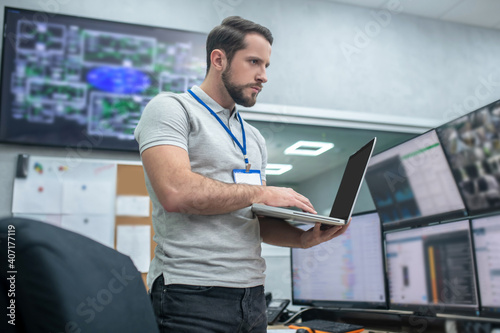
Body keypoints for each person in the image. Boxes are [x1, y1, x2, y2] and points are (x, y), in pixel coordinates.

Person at [134, 16, 350, 333]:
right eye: (253, 62)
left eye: (266, 65)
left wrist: (305, 239)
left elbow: (254, 220)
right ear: (218, 59)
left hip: (252, 297)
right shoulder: (170, 108)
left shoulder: (254, 138)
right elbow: (175, 193)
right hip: (190, 294)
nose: (263, 76)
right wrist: (261, 193)